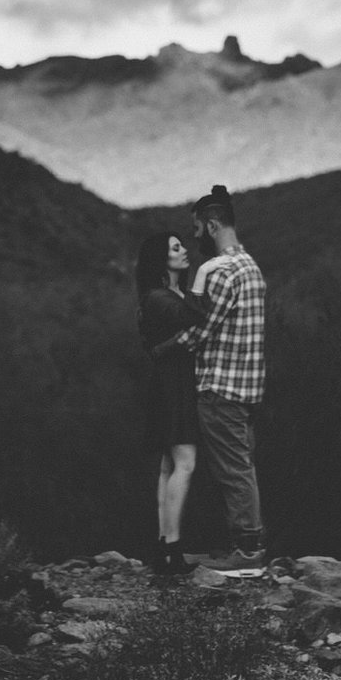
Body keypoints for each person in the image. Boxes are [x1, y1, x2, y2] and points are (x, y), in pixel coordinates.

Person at [163, 184, 267, 570]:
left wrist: (167, 346)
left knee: (232, 470)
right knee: (238, 465)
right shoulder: (250, 266)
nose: (193, 237)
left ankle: (249, 550)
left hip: (222, 388)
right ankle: (241, 544)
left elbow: (201, 330)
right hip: (245, 388)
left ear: (210, 226)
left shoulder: (223, 272)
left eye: (195, 229)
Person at [135, 231, 211, 577]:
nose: (184, 251)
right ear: (161, 259)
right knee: (185, 462)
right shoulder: (157, 297)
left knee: (169, 466)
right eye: (176, 247)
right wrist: (204, 278)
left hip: (173, 382)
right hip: (172, 384)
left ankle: (166, 546)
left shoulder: (166, 295)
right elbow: (195, 316)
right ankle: (171, 548)